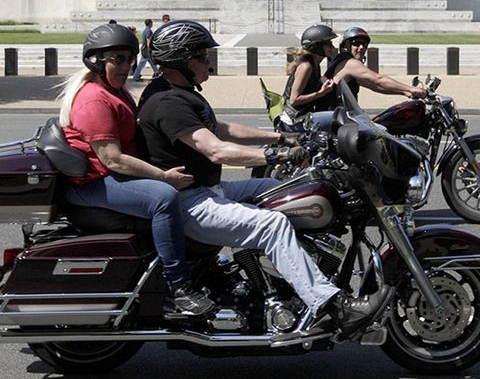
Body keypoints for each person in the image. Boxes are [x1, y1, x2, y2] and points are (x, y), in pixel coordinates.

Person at [138, 19, 388, 332]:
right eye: (201, 57)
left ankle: (279, 275)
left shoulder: (179, 92)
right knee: (273, 224)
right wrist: (273, 155)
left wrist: (280, 139)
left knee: (279, 188)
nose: (208, 63)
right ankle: (330, 304)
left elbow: (221, 128)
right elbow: (215, 149)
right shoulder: (167, 102)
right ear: (180, 60)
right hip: (189, 203)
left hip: (207, 191)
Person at [59, 23, 214, 315]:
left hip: (108, 179)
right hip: (93, 185)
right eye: (117, 58)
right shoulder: (94, 99)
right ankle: (176, 288)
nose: (126, 66)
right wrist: (163, 176)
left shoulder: (115, 91)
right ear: (96, 60)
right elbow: (112, 159)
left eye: (130, 58)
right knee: (162, 197)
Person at [324, 26, 426, 103]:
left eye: (364, 44)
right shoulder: (349, 63)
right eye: (356, 43)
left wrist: (403, 92)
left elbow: (374, 86)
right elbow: (378, 79)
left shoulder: (341, 61)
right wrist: (410, 88)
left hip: (339, 117)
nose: (361, 48)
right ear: (345, 46)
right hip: (338, 122)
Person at [277, 24, 339, 131]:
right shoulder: (306, 67)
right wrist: (321, 93)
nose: (332, 47)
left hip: (304, 116)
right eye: (328, 44)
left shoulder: (315, 65)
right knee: (338, 119)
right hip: (294, 120)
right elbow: (294, 100)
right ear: (317, 46)